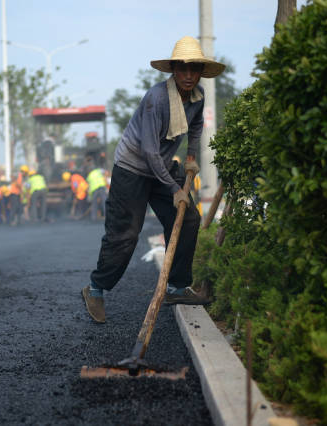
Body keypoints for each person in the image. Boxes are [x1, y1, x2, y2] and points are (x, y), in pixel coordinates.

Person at [82, 36, 225, 323]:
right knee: (125, 234)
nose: (187, 75)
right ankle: (96, 289)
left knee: (188, 220)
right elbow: (148, 151)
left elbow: (196, 126)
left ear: (200, 72)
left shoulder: (198, 96)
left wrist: (191, 157)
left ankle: (176, 287)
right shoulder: (157, 98)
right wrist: (174, 188)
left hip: (161, 165)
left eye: (193, 69)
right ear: (173, 70)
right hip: (132, 168)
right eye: (182, 69)